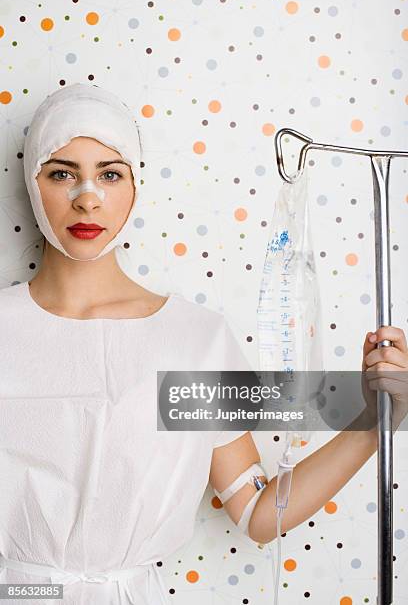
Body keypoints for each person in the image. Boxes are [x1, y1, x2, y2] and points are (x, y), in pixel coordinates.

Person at [0, 83, 407, 605]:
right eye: (62, 172)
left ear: (136, 186)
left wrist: (376, 423)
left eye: (110, 173)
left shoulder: (193, 339)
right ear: (33, 185)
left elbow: (260, 513)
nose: (87, 197)